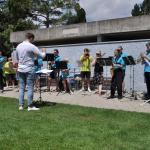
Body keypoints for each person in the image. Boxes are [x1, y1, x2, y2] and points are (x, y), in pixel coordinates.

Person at [15, 33, 46, 111]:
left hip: (21, 68)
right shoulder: (31, 46)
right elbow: (42, 56)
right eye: (33, 39)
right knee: (30, 87)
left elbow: (18, 58)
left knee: (21, 87)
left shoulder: (18, 46)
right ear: (31, 38)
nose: (33, 41)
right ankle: (30, 106)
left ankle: (21, 106)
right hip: (29, 68)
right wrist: (44, 51)